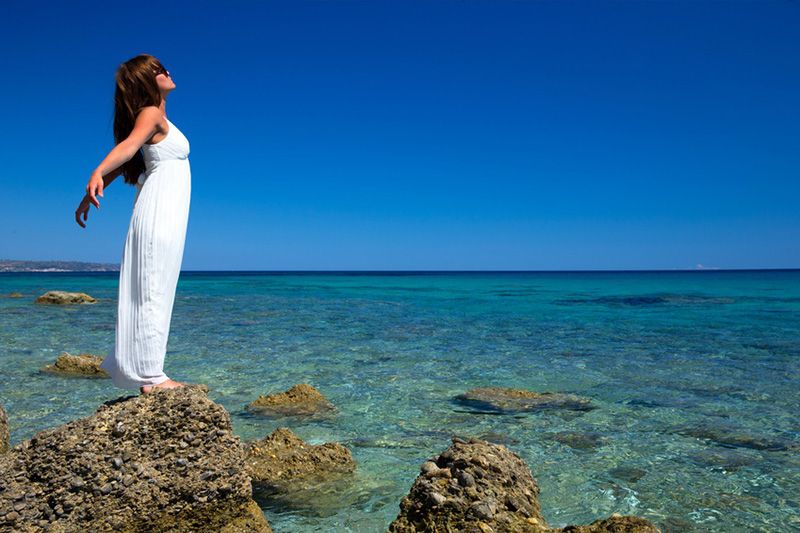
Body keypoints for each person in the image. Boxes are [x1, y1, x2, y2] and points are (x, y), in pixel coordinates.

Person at [75, 54, 192, 395]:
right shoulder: (151, 113)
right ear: (146, 80)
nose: (167, 71)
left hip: (168, 210)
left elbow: (127, 155)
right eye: (159, 70)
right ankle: (152, 377)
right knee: (153, 287)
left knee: (158, 286)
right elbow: (126, 148)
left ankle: (149, 370)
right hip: (159, 211)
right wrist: (96, 172)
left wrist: (97, 184)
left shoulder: (157, 116)